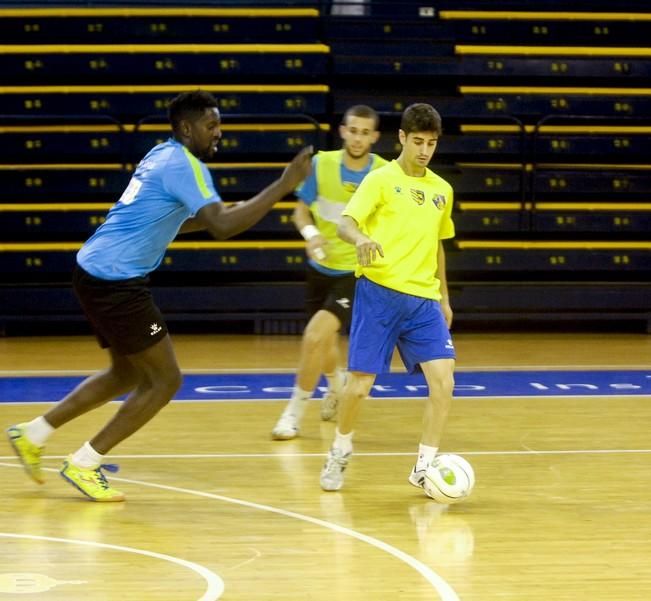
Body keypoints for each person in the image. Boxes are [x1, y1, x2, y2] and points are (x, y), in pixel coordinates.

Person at [6, 90, 312, 502]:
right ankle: (84, 463)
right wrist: (284, 184)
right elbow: (223, 227)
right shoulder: (185, 165)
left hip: (92, 270)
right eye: (211, 125)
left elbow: (168, 221)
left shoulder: (160, 154)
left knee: (127, 373)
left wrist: (217, 216)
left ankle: (34, 433)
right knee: (167, 381)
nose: (218, 133)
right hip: (115, 282)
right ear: (186, 128)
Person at [319, 103, 456, 493]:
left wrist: (444, 297)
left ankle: (423, 468)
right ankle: (340, 449)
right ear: (401, 138)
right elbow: (346, 223)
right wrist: (361, 238)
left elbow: (439, 245)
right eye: (417, 142)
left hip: (423, 301)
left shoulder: (441, 190)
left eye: (431, 143)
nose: (424, 150)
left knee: (444, 382)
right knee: (359, 386)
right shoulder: (380, 180)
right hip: (379, 294)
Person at [271, 105, 386, 440]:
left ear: (374, 137)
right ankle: (336, 387)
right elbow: (300, 215)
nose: (358, 137)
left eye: (366, 132)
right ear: (343, 131)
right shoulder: (322, 164)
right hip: (320, 267)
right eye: (353, 130)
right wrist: (311, 235)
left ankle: (293, 414)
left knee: (314, 336)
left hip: (356, 273)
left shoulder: (382, 173)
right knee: (325, 343)